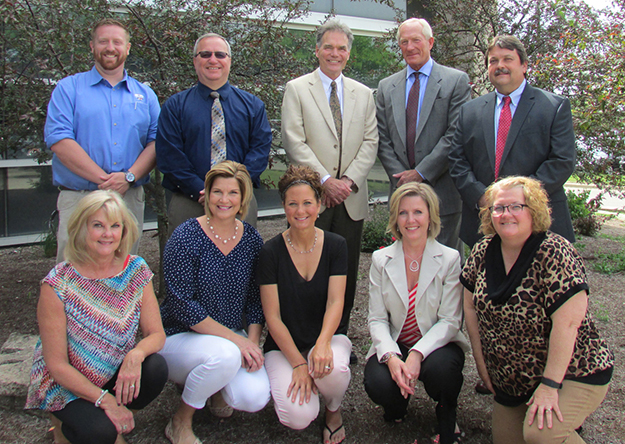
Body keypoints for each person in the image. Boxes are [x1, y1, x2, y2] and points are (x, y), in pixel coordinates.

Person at [462, 176, 613, 444]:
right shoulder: (482, 250)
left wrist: (550, 386)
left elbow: (568, 324)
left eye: (515, 207)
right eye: (498, 208)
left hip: (571, 372)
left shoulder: (555, 252)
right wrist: (481, 361)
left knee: (540, 435)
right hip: (513, 380)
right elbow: (470, 306)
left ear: (533, 210)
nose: (505, 214)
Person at [25, 190, 168, 444]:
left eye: (115, 226)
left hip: (113, 369)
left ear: (124, 230)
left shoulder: (136, 269)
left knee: (156, 368)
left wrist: (136, 355)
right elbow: (56, 365)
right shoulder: (59, 282)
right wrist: (106, 401)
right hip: (66, 384)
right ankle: (68, 426)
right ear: (82, 228)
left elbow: (156, 335)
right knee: (99, 433)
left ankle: (115, 420)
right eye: (98, 226)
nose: (108, 234)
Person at [281, 19, 378, 363]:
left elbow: (370, 141)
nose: (335, 53)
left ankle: (339, 339)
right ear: (317, 49)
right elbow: (294, 140)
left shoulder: (364, 94)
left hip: (351, 199)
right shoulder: (297, 89)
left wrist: (348, 181)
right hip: (313, 200)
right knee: (309, 270)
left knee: (346, 271)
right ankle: (307, 338)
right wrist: (325, 182)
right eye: (329, 46)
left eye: (341, 48)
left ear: (348, 53)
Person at [159, 161, 270, 444]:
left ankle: (216, 385)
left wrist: (252, 344)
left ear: (243, 198)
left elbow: (255, 303)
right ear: (206, 195)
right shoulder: (185, 237)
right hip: (180, 336)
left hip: (231, 339)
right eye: (217, 192)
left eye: (233, 193)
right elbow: (182, 305)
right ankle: (181, 420)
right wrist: (238, 342)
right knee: (225, 355)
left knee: (254, 397)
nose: (224, 200)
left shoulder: (251, 240)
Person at [45, 18, 160, 263]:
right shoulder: (68, 89)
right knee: (72, 272)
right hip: (79, 197)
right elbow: (60, 140)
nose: (110, 47)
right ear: (92, 46)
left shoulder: (146, 95)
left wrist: (128, 177)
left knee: (123, 271)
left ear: (128, 48)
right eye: (103, 41)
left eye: (117, 42)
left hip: (128, 197)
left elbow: (156, 143)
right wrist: (105, 181)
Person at [364, 182, 469, 444]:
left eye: (418, 212)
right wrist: (390, 357)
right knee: (378, 383)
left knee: (443, 372)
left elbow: (450, 321)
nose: (410, 220)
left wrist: (417, 354)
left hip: (435, 344)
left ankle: (447, 413)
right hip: (396, 340)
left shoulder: (450, 258)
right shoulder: (381, 259)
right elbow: (377, 319)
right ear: (395, 219)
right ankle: (397, 404)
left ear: (431, 216)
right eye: (403, 213)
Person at [449, 35, 576, 248]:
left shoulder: (554, 107)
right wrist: (482, 197)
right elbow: (457, 159)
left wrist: (518, 200)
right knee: (487, 281)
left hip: (539, 224)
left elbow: (562, 161)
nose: (500, 66)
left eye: (508, 59)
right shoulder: (470, 111)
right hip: (484, 223)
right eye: (493, 61)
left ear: (524, 65)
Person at [258, 165, 351, 444]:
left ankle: (333, 412)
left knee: (333, 370)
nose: (301, 211)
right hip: (284, 347)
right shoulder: (270, 252)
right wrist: (299, 363)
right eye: (293, 203)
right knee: (297, 416)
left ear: (320, 205)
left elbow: (336, 300)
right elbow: (272, 317)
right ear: (283, 206)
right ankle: (307, 385)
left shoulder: (337, 245)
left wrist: (322, 344)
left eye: (308, 203)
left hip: (327, 337)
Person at [156, 32, 272, 232]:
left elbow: (260, 151)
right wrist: (205, 191)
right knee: (187, 262)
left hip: (240, 201)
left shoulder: (253, 106)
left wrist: (234, 189)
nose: (213, 60)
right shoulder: (175, 106)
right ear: (195, 61)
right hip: (189, 200)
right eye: (205, 54)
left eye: (220, 54)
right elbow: (170, 155)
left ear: (229, 61)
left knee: (240, 261)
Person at [376, 18, 470, 256]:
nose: (409, 47)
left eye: (416, 40)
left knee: (446, 270)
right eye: (404, 42)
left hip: (443, 194)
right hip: (401, 196)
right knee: (407, 265)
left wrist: (421, 173)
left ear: (430, 42)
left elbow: (455, 133)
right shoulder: (387, 87)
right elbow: (381, 136)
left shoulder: (455, 81)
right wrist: (402, 178)